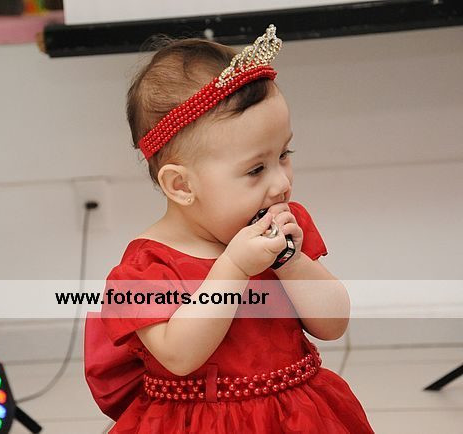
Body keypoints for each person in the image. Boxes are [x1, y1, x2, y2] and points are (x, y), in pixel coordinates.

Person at [84, 25, 374, 433]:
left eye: (284, 154)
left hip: (295, 417)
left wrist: (292, 264)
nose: (281, 183)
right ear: (181, 185)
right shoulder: (146, 269)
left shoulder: (284, 229)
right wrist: (233, 269)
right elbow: (180, 356)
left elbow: (333, 324)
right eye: (256, 169)